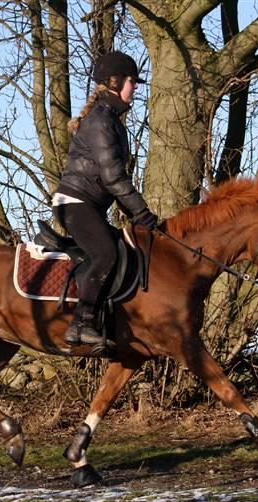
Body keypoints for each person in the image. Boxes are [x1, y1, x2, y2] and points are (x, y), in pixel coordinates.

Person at [52, 51, 158, 348]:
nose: (135, 87)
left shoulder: (111, 120)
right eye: (132, 81)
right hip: (74, 203)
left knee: (123, 252)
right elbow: (113, 178)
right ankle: (81, 324)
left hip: (88, 205)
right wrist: (142, 213)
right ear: (115, 83)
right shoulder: (100, 120)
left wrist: (136, 212)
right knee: (107, 254)